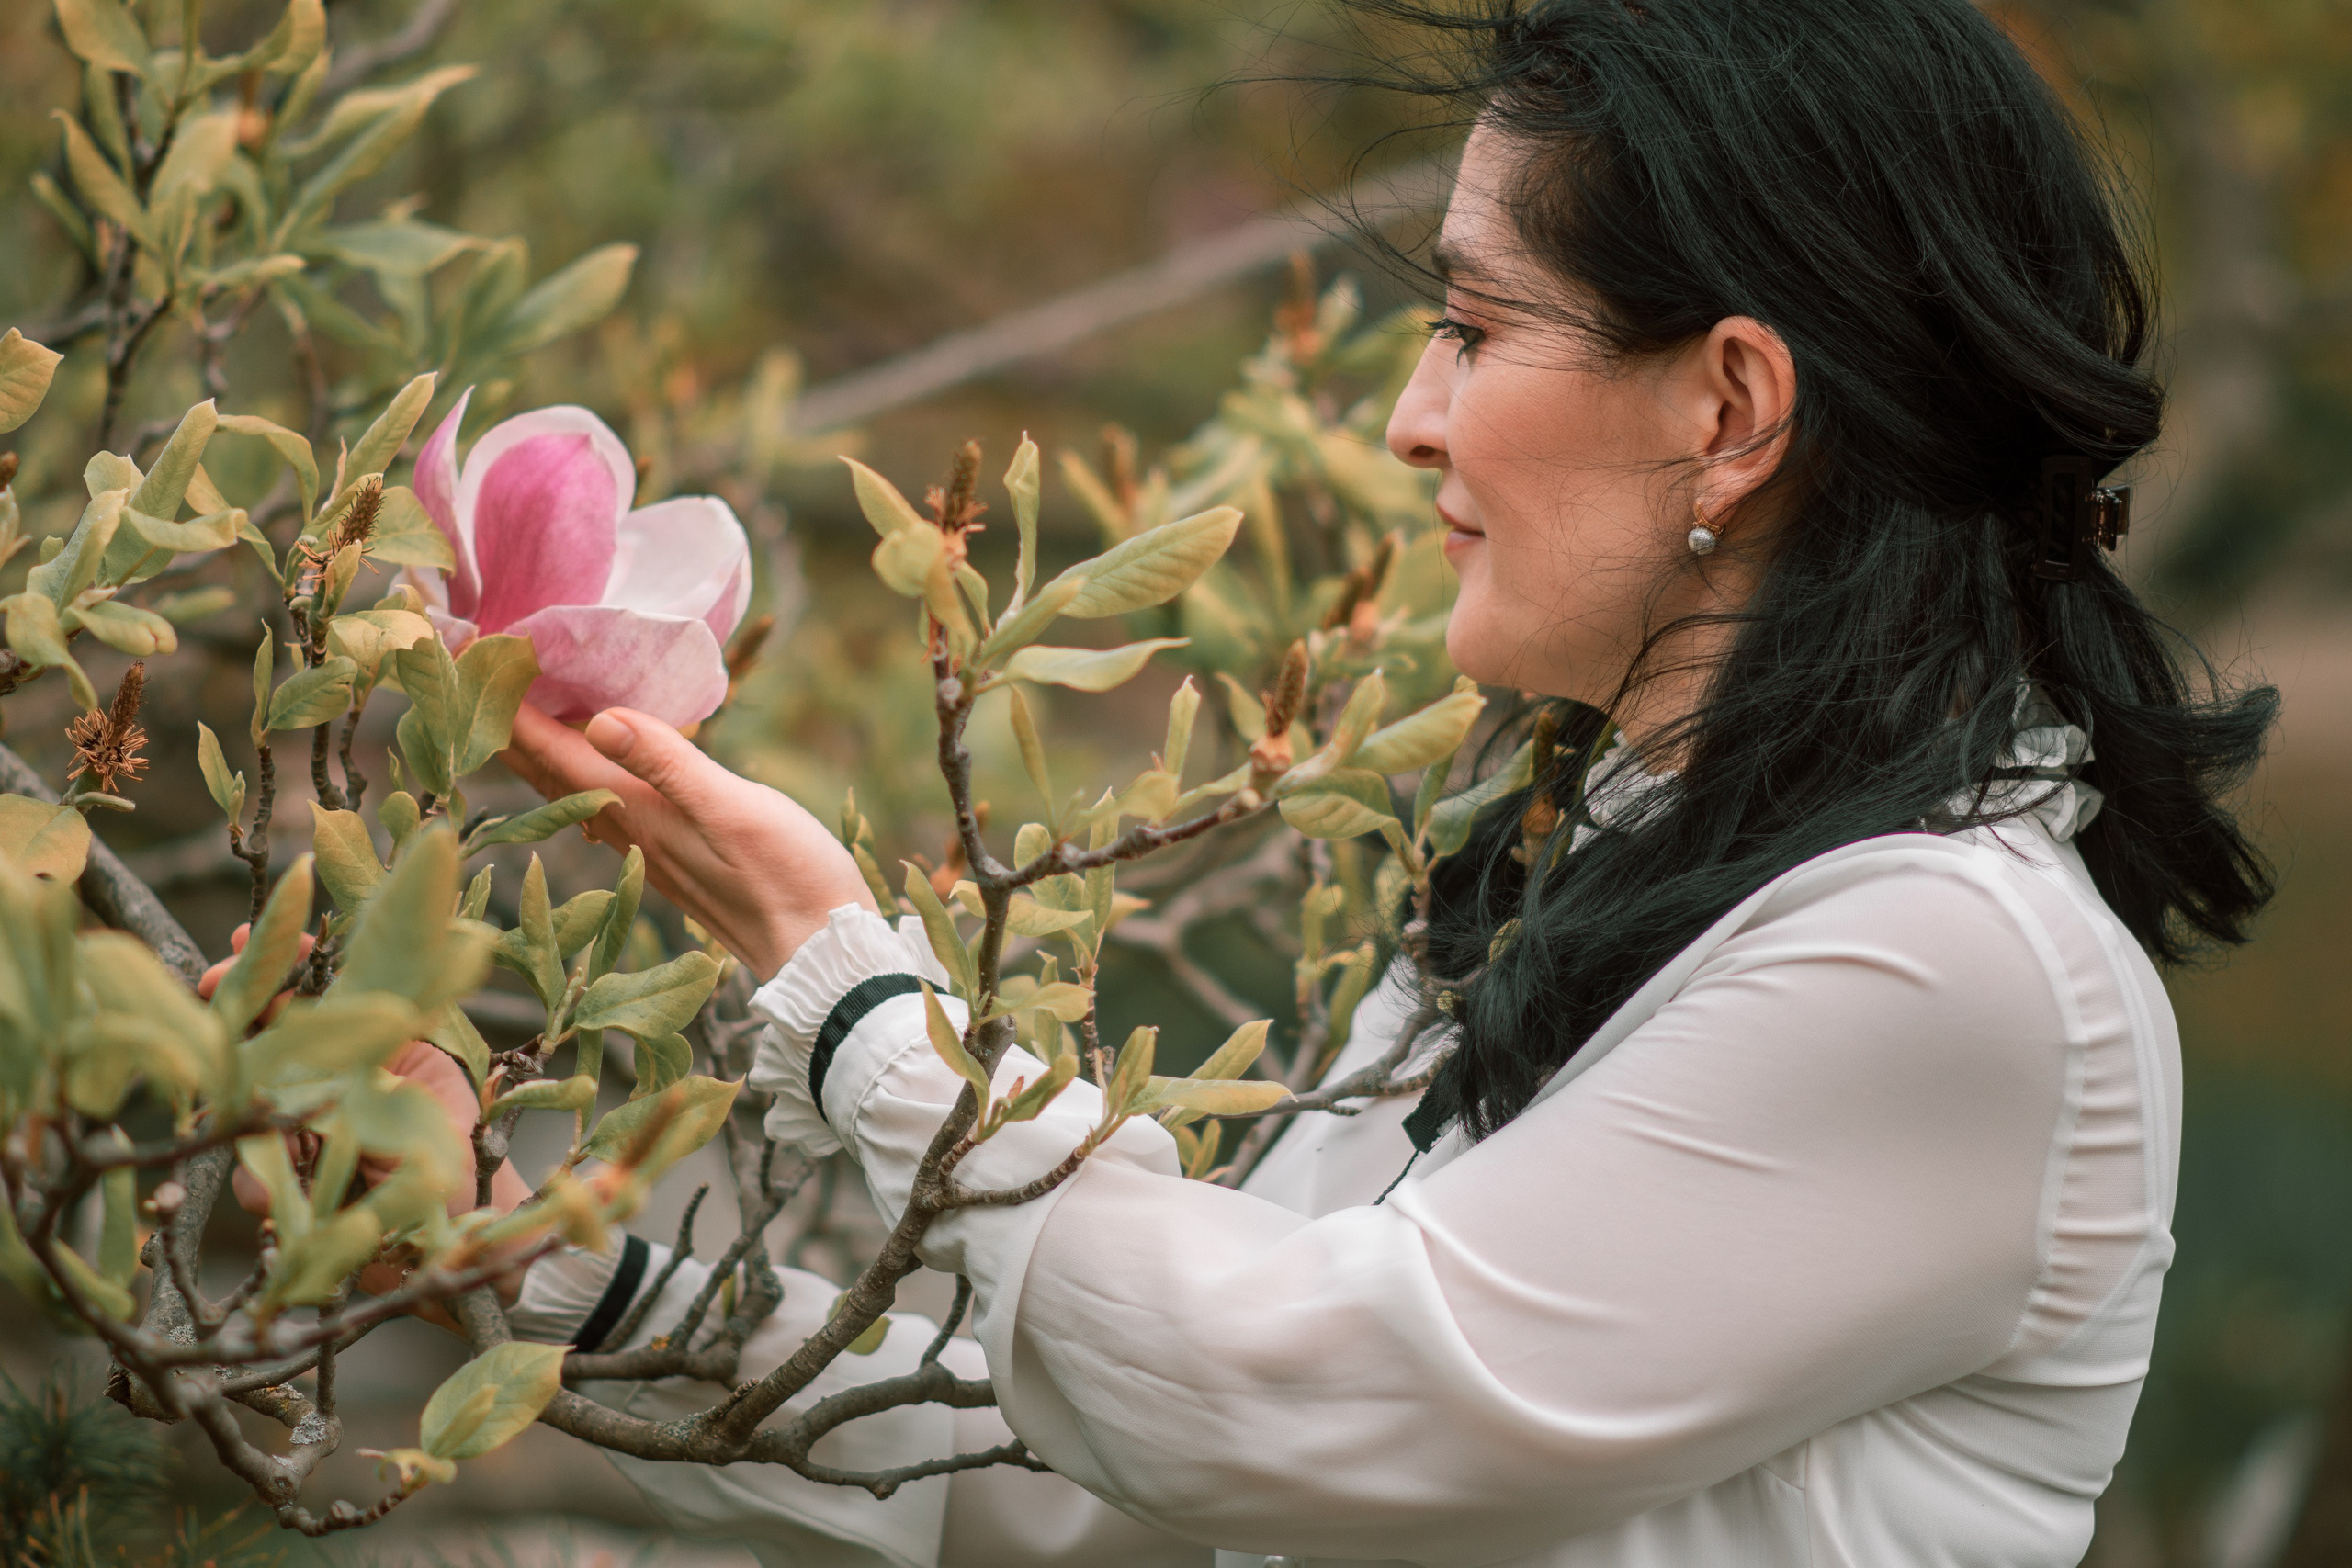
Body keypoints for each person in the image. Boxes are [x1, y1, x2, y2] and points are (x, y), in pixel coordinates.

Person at [469, 2, 2278, 1564]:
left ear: (1727, 407)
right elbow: (1149, 1480)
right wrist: (572, 1288)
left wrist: (857, 997)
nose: (1412, 413)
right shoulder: (1575, 864)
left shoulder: (1947, 963)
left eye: (1476, 328)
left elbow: (1281, 1397)